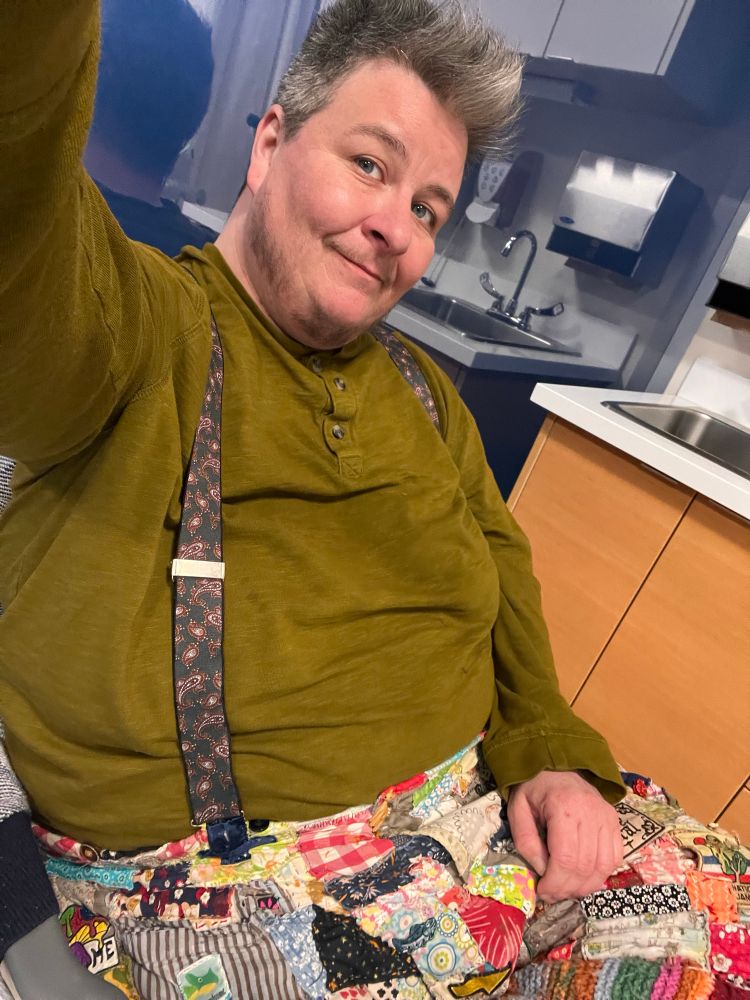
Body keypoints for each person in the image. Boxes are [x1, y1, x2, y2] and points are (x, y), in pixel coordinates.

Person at [0, 0, 626, 996]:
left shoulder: (426, 392)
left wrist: (548, 748)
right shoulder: (144, 334)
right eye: (370, 165)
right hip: (231, 897)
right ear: (269, 146)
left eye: (427, 209)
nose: (393, 228)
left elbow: (503, 569)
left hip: (491, 830)